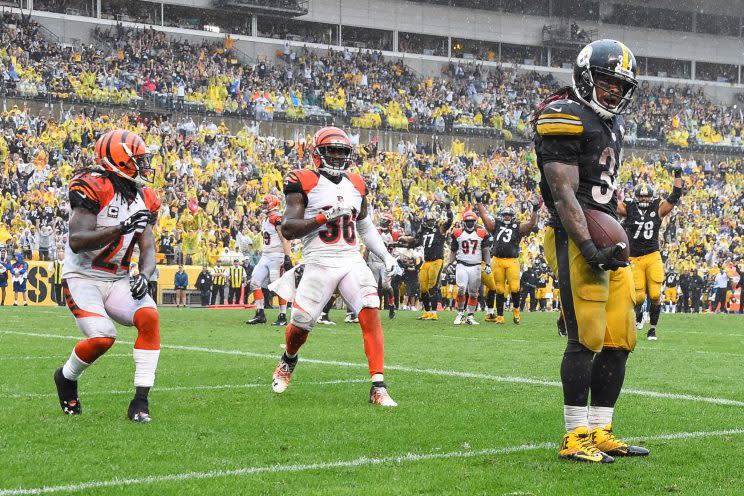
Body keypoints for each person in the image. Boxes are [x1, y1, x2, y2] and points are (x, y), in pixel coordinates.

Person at [533, 39, 649, 462]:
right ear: (585, 76)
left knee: (619, 337)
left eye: (621, 85)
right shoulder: (563, 115)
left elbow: (603, 193)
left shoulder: (612, 125)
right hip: (573, 235)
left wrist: (615, 242)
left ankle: (601, 430)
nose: (615, 91)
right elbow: (564, 195)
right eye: (606, 81)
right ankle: (575, 436)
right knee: (586, 338)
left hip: (603, 236)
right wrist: (588, 245)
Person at [267, 126, 398, 406]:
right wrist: (321, 218)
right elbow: (289, 229)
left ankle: (378, 385)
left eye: (342, 151)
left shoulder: (357, 183)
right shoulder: (302, 180)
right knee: (301, 325)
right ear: (317, 152)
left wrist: (385, 255)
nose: (338, 156)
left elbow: (364, 226)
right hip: (319, 262)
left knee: (371, 309)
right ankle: (288, 359)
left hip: (351, 259)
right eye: (331, 150)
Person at [53, 129, 161, 423]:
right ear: (120, 160)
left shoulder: (145, 197)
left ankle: (140, 402)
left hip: (119, 279)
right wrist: (120, 228)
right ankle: (66, 377)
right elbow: (77, 239)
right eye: (139, 159)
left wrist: (146, 274)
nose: (145, 164)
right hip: (83, 277)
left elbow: (148, 245)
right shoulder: (94, 186)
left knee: (149, 316)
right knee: (103, 337)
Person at [617, 169, 683, 340]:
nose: (644, 199)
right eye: (641, 196)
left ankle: (652, 329)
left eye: (647, 196)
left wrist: (677, 176)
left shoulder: (658, 208)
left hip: (653, 255)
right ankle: (639, 316)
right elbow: (610, 203)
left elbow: (675, 196)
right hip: (634, 257)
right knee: (638, 297)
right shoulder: (629, 207)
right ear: (637, 196)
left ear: (651, 197)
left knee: (654, 294)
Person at [475, 195, 538, 324]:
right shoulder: (496, 225)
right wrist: (479, 202)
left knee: (515, 288)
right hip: (497, 260)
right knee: (499, 289)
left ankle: (516, 312)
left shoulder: (517, 226)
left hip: (512, 261)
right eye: (505, 215)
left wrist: (535, 208)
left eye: (509, 215)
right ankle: (500, 316)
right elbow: (484, 218)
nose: (506, 217)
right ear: (502, 215)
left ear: (512, 216)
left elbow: (531, 223)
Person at [398, 204, 453, 320]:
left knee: (432, 287)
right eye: (428, 221)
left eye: (432, 220)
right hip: (427, 262)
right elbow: (413, 243)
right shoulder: (423, 232)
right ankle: (427, 312)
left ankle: (434, 312)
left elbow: (449, 221)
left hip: (437, 261)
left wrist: (448, 209)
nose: (430, 223)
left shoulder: (440, 230)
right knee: (423, 288)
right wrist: (400, 243)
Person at [246, 194, 293, 326]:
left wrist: (287, 256)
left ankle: (282, 315)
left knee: (277, 285)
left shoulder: (276, 218)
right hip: (265, 256)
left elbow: (285, 238)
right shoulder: (267, 219)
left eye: (266, 203)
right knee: (255, 282)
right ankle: (260, 314)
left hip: (276, 256)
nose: (263, 206)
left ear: (272, 204)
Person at [450, 211, 491, 325]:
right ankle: (460, 314)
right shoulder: (457, 233)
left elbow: (486, 250)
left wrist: (488, 264)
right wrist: (450, 263)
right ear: (464, 222)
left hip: (476, 266)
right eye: (467, 221)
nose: (469, 224)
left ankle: (470, 316)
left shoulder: (482, 233)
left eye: (471, 221)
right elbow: (453, 250)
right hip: (462, 264)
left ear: (475, 222)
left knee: (473, 293)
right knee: (461, 289)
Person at [365, 213, 401, 320]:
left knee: (386, 286)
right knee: (373, 286)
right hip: (373, 261)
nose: (382, 222)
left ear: (390, 223)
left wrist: (394, 261)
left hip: (386, 262)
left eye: (385, 220)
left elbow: (396, 251)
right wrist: (364, 261)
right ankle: (373, 309)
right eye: (382, 220)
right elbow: (367, 247)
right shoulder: (375, 232)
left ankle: (391, 305)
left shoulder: (394, 234)